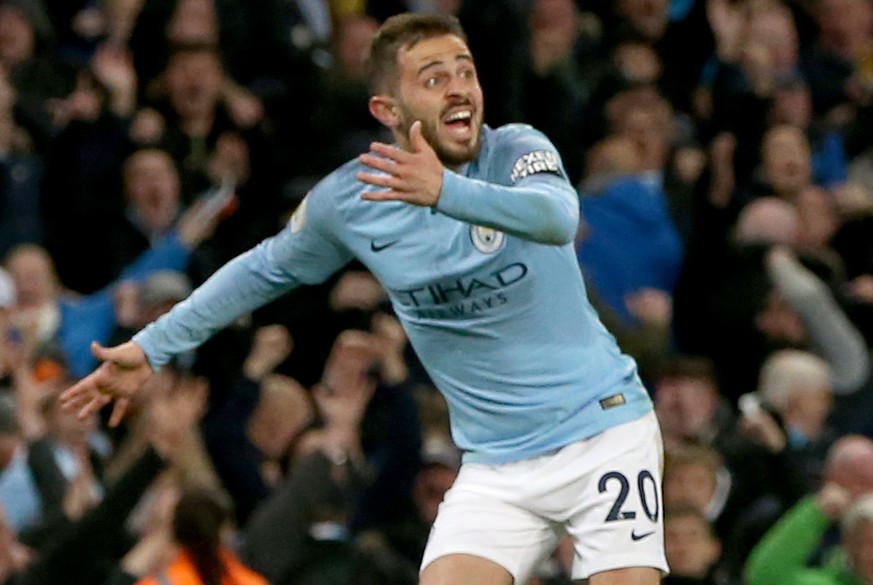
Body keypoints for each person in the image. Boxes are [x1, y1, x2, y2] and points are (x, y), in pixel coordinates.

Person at [60, 13, 667, 585]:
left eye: (465, 72)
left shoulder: (515, 150)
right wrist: (150, 348)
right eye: (434, 79)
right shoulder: (353, 200)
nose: (460, 89)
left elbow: (557, 216)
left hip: (602, 429)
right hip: (496, 462)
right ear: (388, 109)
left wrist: (447, 191)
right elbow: (261, 271)